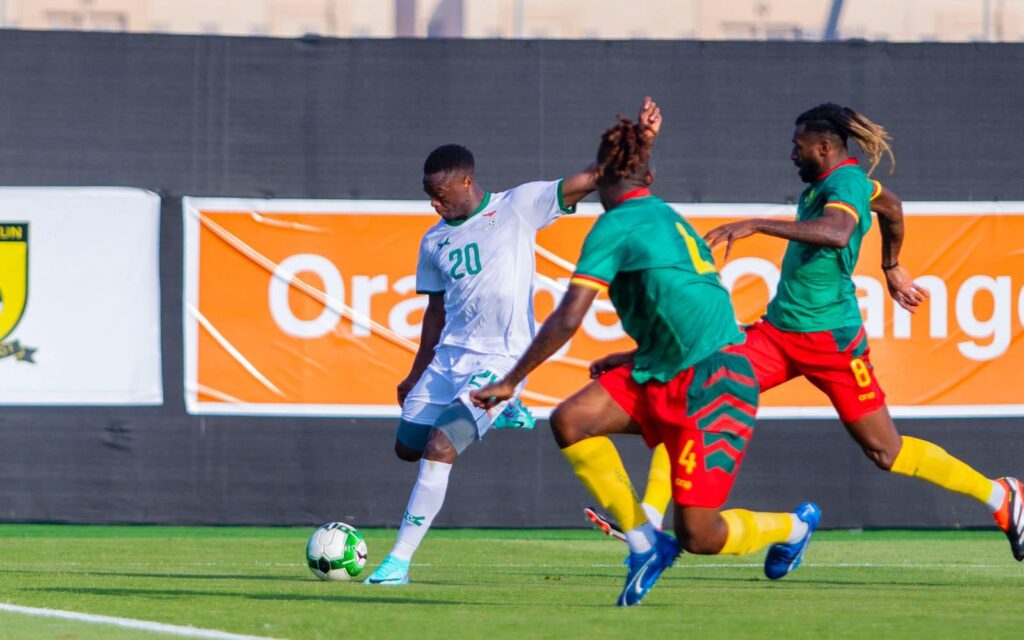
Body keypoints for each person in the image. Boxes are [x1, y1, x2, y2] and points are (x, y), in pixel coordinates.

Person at [472, 115, 819, 607]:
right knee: (573, 419)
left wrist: (512, 380)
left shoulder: (615, 226)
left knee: (700, 535)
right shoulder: (665, 215)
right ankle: (644, 544)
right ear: (648, 178)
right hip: (666, 369)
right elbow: (692, 307)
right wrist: (635, 353)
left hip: (715, 384)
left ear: (599, 174)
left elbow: (569, 318)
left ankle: (793, 526)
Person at [698, 103, 1023, 561]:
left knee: (886, 452)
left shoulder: (845, 182)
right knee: (700, 389)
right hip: (778, 335)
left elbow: (835, 232)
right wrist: (891, 265)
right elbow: (891, 205)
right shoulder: (842, 183)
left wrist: (755, 224)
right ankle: (661, 523)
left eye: (799, 147)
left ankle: (1001, 497)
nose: (792, 155)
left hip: (831, 342)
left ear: (825, 147)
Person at [364, 99, 664, 586]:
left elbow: (592, 177)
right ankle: (502, 413)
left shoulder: (518, 206)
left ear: (466, 182)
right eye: (429, 198)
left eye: (440, 195)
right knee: (408, 447)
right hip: (447, 363)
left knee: (442, 448)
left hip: (500, 362)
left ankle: (398, 561)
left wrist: (644, 141)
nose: (434, 205)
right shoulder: (433, 240)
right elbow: (434, 314)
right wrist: (416, 372)